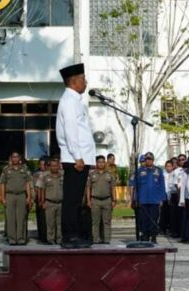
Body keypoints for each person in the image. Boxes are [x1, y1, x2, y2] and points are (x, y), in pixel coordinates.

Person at [56, 63, 96, 248]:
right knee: (71, 199)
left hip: (80, 157)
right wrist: (77, 156)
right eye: (83, 79)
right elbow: (70, 131)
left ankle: (76, 233)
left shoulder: (75, 100)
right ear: (73, 82)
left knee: (76, 199)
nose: (85, 82)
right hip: (75, 158)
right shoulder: (69, 101)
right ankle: (69, 235)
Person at [129, 152, 165, 243]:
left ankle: (153, 236)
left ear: (153, 160)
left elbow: (161, 186)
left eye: (150, 159)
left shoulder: (158, 171)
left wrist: (161, 199)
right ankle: (145, 236)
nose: (148, 161)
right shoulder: (139, 171)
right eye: (147, 159)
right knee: (144, 219)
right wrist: (134, 199)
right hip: (143, 199)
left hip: (155, 200)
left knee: (154, 219)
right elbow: (134, 185)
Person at [86, 155, 117, 244]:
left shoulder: (109, 174)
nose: (101, 164)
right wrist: (88, 200)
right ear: (96, 163)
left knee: (106, 221)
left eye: (103, 162)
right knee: (95, 222)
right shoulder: (92, 175)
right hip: (95, 200)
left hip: (107, 200)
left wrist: (114, 200)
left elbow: (113, 188)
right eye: (99, 162)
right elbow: (88, 188)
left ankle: (106, 239)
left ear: (105, 163)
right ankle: (96, 239)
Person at [37, 158, 64, 244]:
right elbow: (41, 189)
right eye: (52, 166)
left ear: (58, 166)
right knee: (50, 223)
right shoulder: (44, 175)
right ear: (49, 167)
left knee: (60, 223)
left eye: (56, 165)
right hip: (49, 202)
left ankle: (59, 239)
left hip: (60, 203)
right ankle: (50, 239)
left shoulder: (63, 175)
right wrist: (42, 201)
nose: (54, 167)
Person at [32, 157, 49, 243]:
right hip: (39, 198)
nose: (42, 166)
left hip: (49, 199)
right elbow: (35, 187)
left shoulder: (50, 173)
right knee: (41, 219)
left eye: (44, 164)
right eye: (41, 164)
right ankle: (41, 236)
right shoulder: (36, 174)